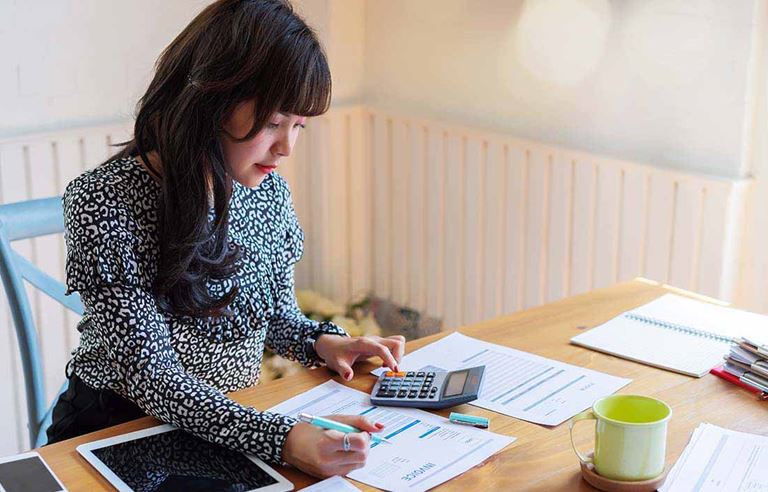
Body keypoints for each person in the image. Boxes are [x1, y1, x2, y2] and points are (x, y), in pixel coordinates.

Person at [46, 0, 405, 478]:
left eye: (299, 125)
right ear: (210, 100)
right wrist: (283, 436)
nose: (287, 147)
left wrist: (322, 342)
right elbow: (154, 379)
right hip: (120, 432)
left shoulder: (266, 189)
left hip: (230, 426)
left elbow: (272, 314)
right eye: (273, 122)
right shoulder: (105, 200)